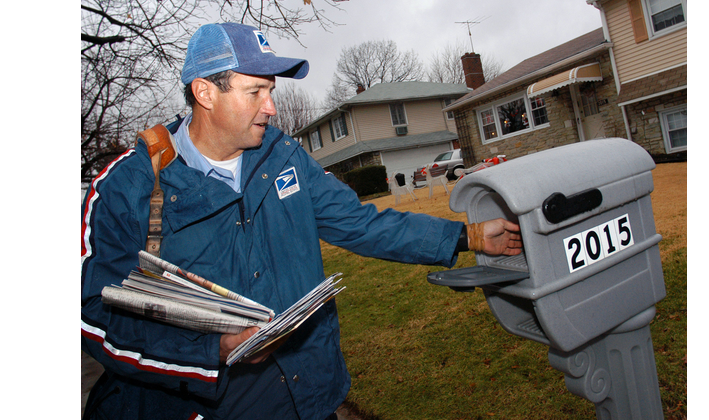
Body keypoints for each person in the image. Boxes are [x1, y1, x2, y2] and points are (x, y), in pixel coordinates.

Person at [81, 22, 523, 420]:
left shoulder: (283, 157)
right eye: (255, 92)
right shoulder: (127, 188)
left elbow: (360, 223)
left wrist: (469, 236)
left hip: (311, 398)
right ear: (205, 93)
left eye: (270, 91)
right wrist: (210, 350)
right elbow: (95, 313)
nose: (271, 107)